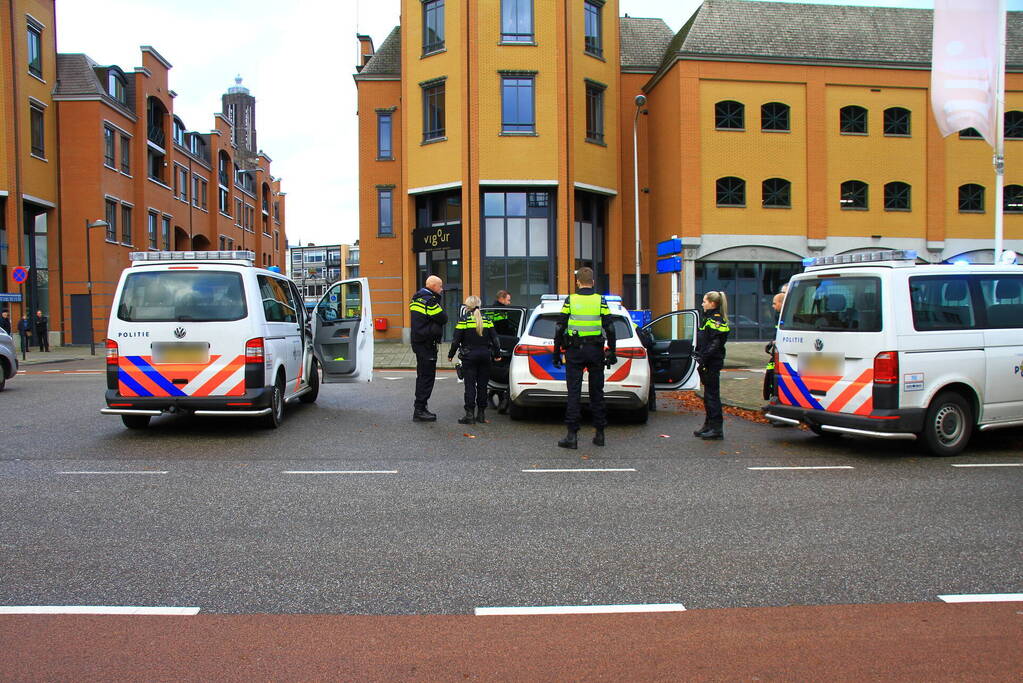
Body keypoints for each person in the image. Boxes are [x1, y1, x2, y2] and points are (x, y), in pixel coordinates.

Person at [552, 267, 616, 449]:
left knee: (574, 393)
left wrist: (556, 352)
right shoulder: (600, 300)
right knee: (597, 393)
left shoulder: (571, 300)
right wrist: (612, 351)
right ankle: (600, 434)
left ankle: (572, 436)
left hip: (574, 351)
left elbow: (559, 327)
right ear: (593, 282)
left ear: (578, 282)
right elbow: (610, 328)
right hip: (595, 351)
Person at [447, 295, 501, 425]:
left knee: (470, 386)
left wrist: (451, 354)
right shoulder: (487, 320)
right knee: (482, 386)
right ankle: (481, 415)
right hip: (485, 356)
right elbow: (495, 340)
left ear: (467, 307)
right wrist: (497, 354)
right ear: (479, 305)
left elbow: (456, 340)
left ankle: (469, 415)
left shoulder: (464, 320)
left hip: (469, 357)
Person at [409, 275, 447, 422]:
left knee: (422, 375)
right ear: (433, 286)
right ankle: (419, 410)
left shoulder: (416, 298)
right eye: (440, 286)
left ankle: (421, 407)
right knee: (427, 377)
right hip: (426, 343)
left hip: (419, 342)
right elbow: (443, 318)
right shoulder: (430, 301)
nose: (442, 289)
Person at [693, 291, 730, 440]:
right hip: (708, 361)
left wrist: (703, 357)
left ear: (712, 303)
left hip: (712, 362)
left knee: (712, 396)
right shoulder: (708, 319)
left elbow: (715, 343)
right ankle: (708, 425)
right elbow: (705, 340)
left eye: (704, 301)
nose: (702, 304)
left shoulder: (716, 320)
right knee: (708, 396)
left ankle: (716, 428)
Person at [763, 291, 785, 401]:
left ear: (781, 303)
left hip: (782, 350)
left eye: (774, 303)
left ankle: (775, 395)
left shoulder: (784, 316)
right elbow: (777, 332)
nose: (772, 306)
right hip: (777, 349)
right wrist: (772, 342)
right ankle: (772, 394)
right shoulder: (778, 315)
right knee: (771, 371)